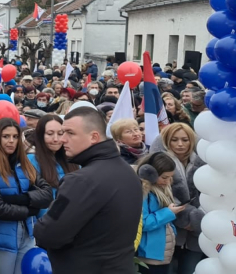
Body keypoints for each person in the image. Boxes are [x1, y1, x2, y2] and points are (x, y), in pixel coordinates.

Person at [33, 107, 143, 273]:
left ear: (94, 137)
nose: (62, 139)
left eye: (70, 133)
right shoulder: (128, 172)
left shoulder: (81, 181)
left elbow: (48, 234)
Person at [0, 117, 53, 274]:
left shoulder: (22, 161)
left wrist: (23, 199)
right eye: (6, 136)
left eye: (15, 137)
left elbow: (46, 193)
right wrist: (30, 210)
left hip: (27, 234)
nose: (11, 141)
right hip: (1, 239)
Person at [152, 123, 204, 274]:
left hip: (197, 233)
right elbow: (157, 197)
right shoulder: (157, 164)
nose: (180, 144)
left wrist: (197, 219)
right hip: (170, 232)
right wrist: (183, 217)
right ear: (167, 140)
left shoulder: (204, 163)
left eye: (185, 139)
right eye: (174, 140)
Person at [135, 153, 184, 274]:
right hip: (149, 255)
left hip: (160, 254)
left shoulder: (160, 189)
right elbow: (143, 222)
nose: (168, 182)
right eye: (164, 177)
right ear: (150, 173)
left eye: (170, 177)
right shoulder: (143, 193)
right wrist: (168, 212)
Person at [27, 114, 78, 217]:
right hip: (46, 224)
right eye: (50, 134)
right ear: (40, 135)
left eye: (60, 133)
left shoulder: (73, 160)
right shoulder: (31, 161)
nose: (56, 139)